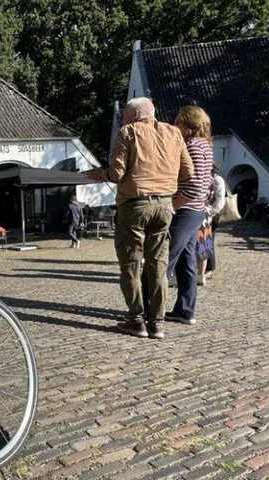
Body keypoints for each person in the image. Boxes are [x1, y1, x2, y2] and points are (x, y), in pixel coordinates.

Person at [85, 97, 193, 339]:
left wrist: (99, 174)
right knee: (158, 265)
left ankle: (136, 320)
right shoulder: (174, 133)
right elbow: (188, 171)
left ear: (134, 115)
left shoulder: (129, 131)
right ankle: (157, 323)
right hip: (165, 204)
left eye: (124, 113)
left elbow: (117, 173)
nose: (121, 118)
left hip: (134, 206)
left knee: (131, 264)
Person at [163, 106, 214, 325]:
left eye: (177, 122)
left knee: (164, 259)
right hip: (195, 210)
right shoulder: (205, 145)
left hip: (185, 211)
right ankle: (185, 310)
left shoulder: (192, 146)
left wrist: (171, 207)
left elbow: (192, 188)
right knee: (186, 261)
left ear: (188, 126)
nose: (174, 126)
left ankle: (148, 309)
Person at [196, 164, 227, 285]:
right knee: (203, 243)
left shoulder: (217, 180)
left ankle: (207, 270)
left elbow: (220, 201)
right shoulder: (202, 179)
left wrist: (209, 212)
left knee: (207, 243)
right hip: (199, 215)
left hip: (209, 217)